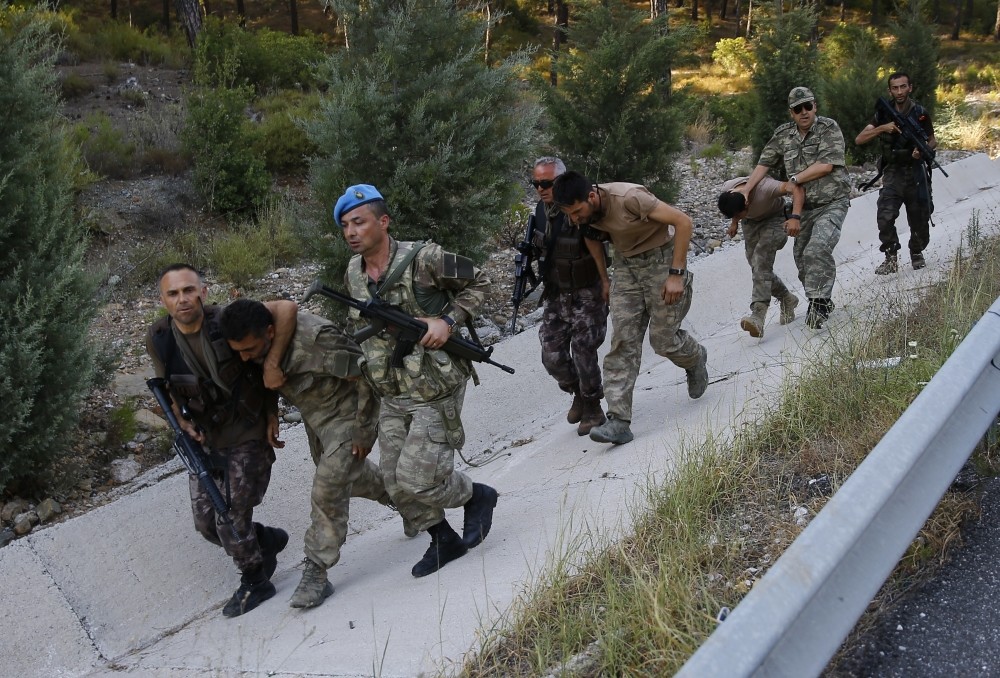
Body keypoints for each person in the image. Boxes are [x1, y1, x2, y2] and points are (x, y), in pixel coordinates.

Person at [333, 183, 499, 578]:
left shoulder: (426, 258)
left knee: (417, 477)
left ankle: (477, 496)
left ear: (383, 221)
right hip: (392, 388)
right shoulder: (354, 273)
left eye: (359, 222)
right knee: (394, 481)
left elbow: (483, 281)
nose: (351, 232)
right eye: (345, 226)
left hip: (434, 384)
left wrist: (447, 320)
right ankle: (443, 538)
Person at [220, 299, 413, 609]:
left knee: (326, 489)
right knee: (352, 480)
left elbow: (368, 379)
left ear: (270, 333)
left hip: (348, 415)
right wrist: (271, 413)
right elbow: (263, 378)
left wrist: (364, 430)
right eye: (239, 351)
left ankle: (317, 572)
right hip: (316, 419)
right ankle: (409, 502)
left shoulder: (317, 340)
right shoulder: (255, 342)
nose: (245, 357)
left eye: (249, 350)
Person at [146, 264, 289, 618]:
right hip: (206, 438)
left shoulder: (228, 321)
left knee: (229, 515)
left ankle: (256, 580)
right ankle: (265, 541)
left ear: (203, 292)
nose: (183, 299)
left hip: (247, 429)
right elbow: (167, 392)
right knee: (206, 523)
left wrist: (272, 413)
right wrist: (181, 423)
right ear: (163, 300)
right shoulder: (160, 338)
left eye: (189, 290)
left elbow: (261, 362)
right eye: (173, 293)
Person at [551, 171, 710, 446]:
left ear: (592, 196)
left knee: (663, 341)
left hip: (661, 260)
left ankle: (695, 358)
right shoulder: (584, 214)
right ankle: (618, 421)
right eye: (570, 214)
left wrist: (677, 273)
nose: (574, 218)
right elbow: (590, 236)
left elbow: (683, 222)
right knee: (623, 341)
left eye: (577, 211)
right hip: (626, 268)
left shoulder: (630, 198)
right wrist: (605, 279)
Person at [736, 86, 851, 330]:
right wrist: (747, 189)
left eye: (808, 106)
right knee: (801, 256)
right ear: (791, 113)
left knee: (817, 248)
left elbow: (826, 165)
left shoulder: (828, 129)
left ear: (815, 106)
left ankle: (819, 303)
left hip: (832, 203)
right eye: (798, 109)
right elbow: (764, 164)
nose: (804, 112)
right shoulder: (783, 135)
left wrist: (795, 179)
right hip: (805, 206)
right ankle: (819, 298)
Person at [530, 157, 610, 435]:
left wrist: (605, 282)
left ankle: (593, 406)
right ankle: (577, 390)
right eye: (536, 183)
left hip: (587, 290)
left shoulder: (580, 207)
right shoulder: (540, 212)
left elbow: (602, 244)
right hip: (557, 292)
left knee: (583, 349)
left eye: (547, 183)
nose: (541, 189)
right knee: (551, 354)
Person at [855, 71, 937, 274]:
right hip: (893, 173)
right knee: (885, 216)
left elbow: (932, 138)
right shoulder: (883, 113)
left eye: (903, 87)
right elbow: (860, 138)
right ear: (889, 90)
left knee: (920, 217)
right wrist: (882, 128)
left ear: (910, 87)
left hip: (916, 172)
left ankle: (916, 252)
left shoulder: (920, 112)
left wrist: (924, 149)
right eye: (895, 88)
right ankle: (891, 257)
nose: (899, 92)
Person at [717, 175, 805, 337]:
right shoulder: (728, 190)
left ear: (747, 202)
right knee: (756, 266)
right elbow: (734, 208)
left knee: (760, 260)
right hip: (751, 223)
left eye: (739, 214)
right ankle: (787, 298)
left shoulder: (766, 187)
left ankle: (758, 315)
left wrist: (795, 217)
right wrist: (735, 222)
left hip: (775, 218)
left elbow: (796, 188)